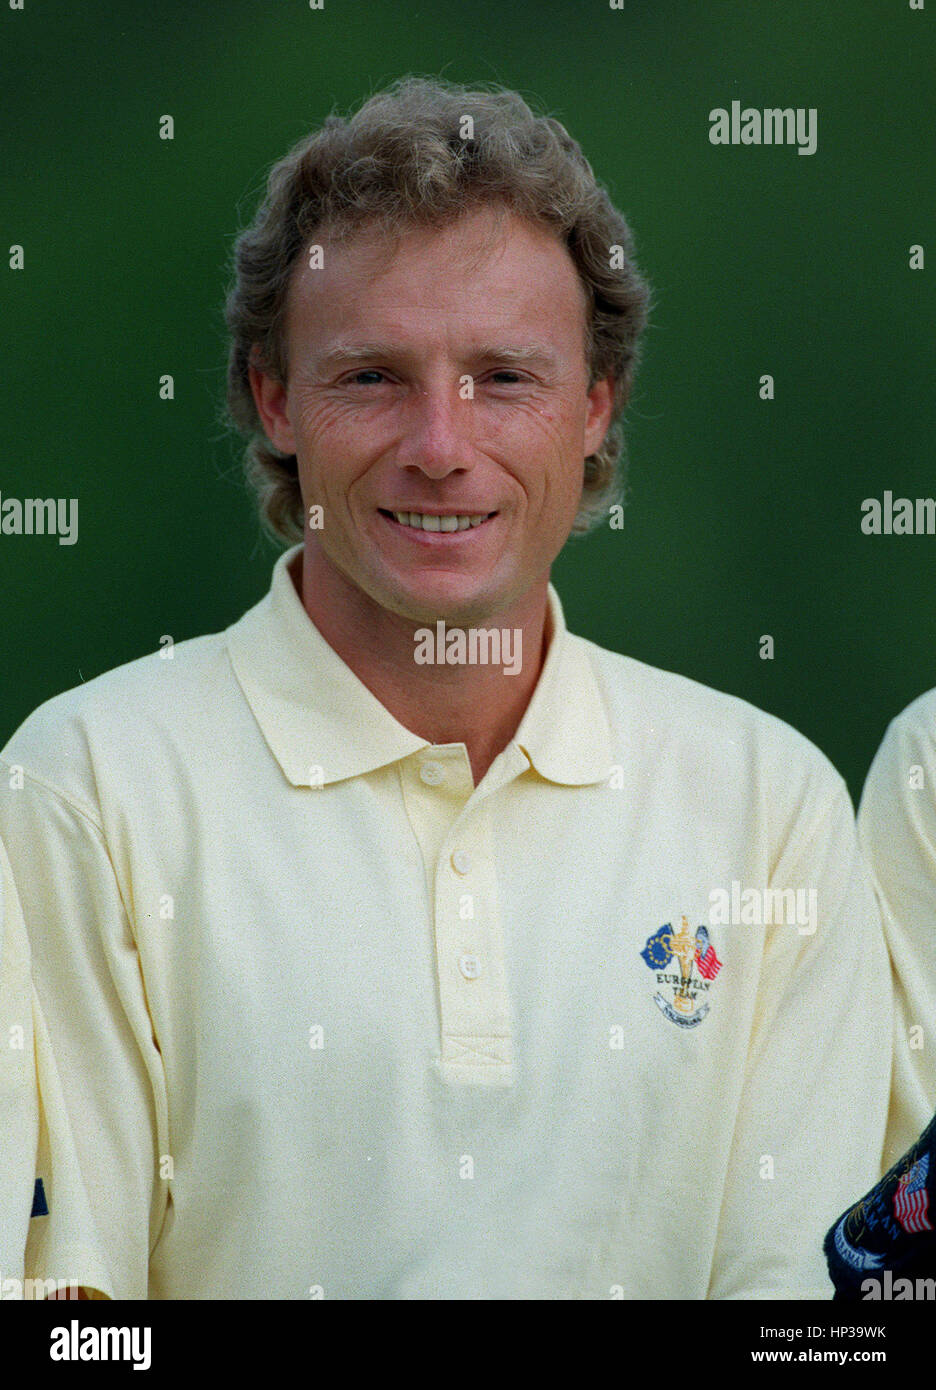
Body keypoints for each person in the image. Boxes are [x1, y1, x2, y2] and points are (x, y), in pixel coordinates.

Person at [0, 75, 891, 1299]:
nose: (439, 443)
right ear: (275, 398)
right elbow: (67, 1322)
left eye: (504, 378)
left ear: (595, 405)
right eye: (370, 377)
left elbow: (803, 1325)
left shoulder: (772, 807)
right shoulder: (83, 789)